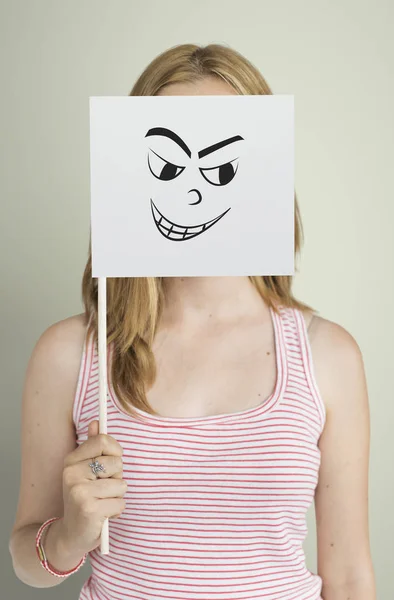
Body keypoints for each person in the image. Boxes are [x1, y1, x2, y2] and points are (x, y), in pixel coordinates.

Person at [9, 44, 376, 600]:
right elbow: (26, 562)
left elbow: (348, 575)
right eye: (167, 164)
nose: (194, 190)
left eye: (224, 166)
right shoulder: (69, 354)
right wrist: (69, 536)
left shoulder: (328, 356)